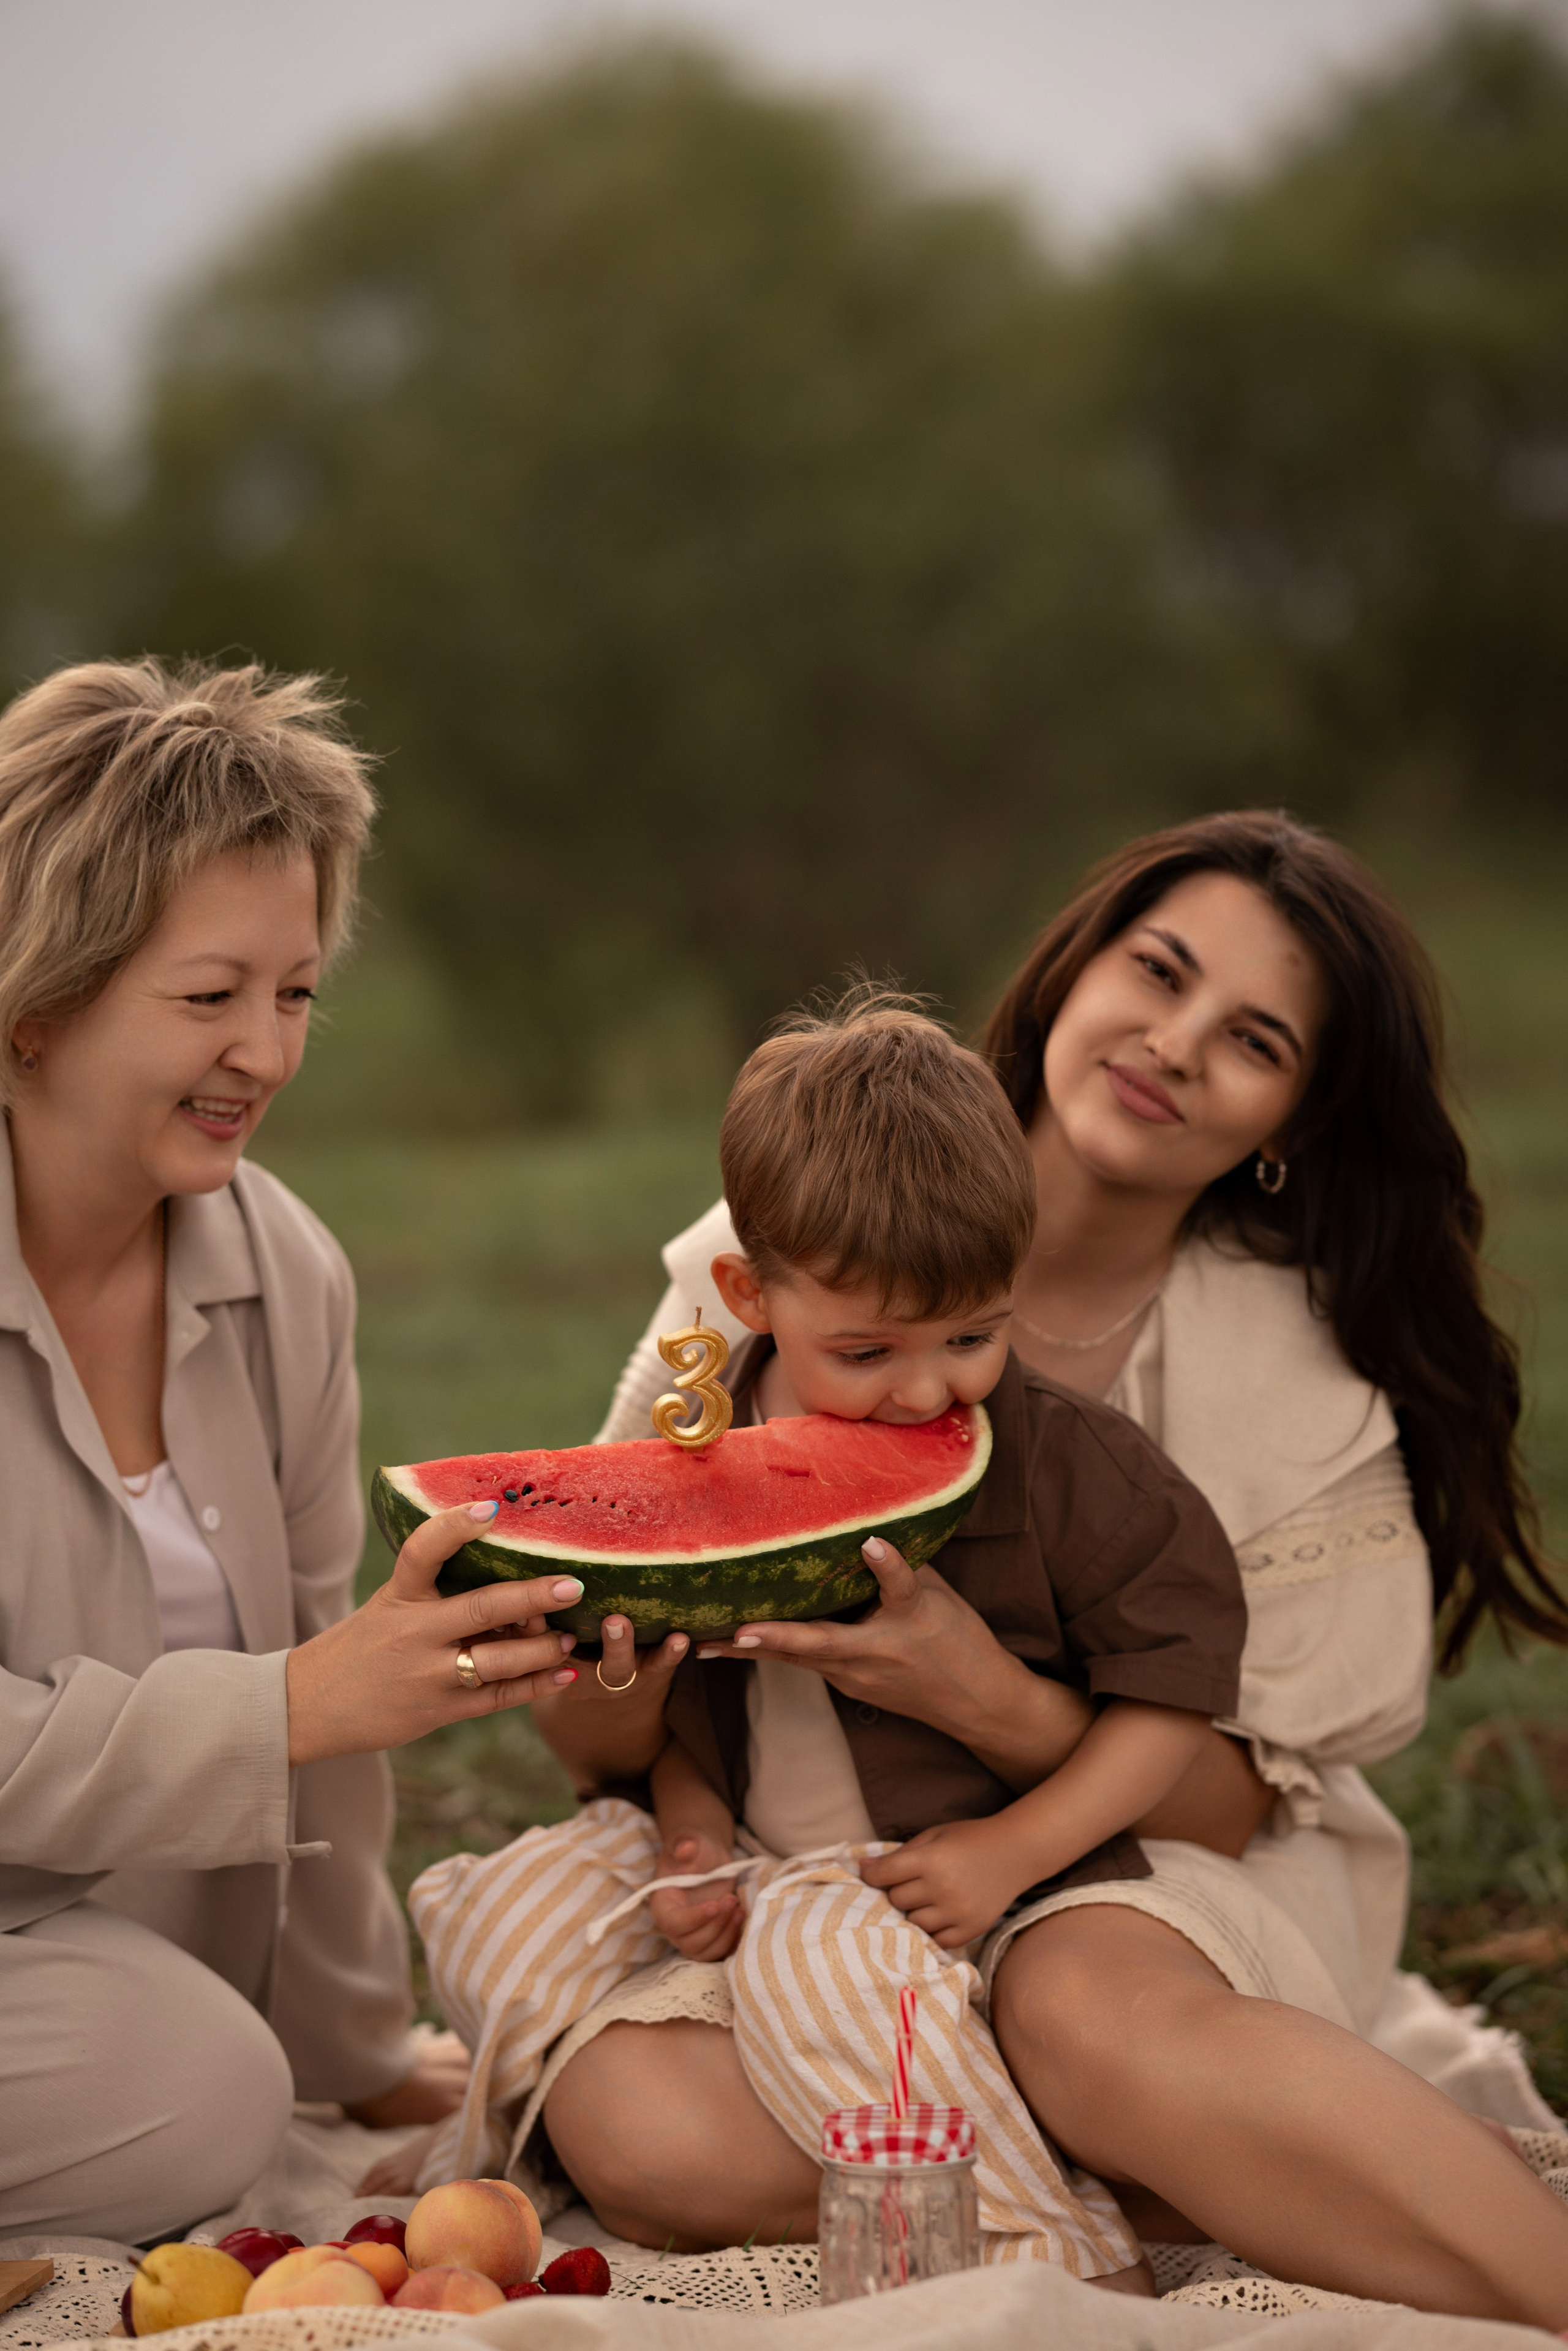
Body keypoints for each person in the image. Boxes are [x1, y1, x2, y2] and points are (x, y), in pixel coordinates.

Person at [540, 813, 1568, 2327]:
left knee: (1078, 2012)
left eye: (1251, 1037)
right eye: (1153, 970)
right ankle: (1291, 2160)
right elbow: (603, 1721)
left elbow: (1227, 1793)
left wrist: (984, 1700)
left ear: (1291, 1112)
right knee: (642, 2130)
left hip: (1156, 1872)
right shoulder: (753, 1267)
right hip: (809, 1879)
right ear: (1070, 968)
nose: (1169, 1040)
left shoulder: (1305, 1382)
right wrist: (626, 1693)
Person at [404, 997, 1252, 2284]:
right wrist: (686, 1825)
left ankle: (1056, 2253)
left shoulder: (1074, 1463)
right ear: (747, 1293)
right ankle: (488, 2162)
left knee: (826, 1961)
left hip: (926, 1871)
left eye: (971, 1335)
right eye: (866, 1350)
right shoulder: (690, 1453)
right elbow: (694, 1707)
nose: (924, 1390)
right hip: (747, 1852)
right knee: (498, 1909)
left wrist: (1007, 1849)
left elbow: (1169, 1699)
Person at [0, 657, 582, 2244]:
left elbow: (344, 1687)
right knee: (197, 2081)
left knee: (222, 2077)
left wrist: (357, 2042)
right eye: (209, 996)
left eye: (297, 990)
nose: (266, 1049)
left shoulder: (285, 1271)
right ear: (38, 998)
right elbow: (305, 1698)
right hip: (74, 1981)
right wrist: (287, 1703)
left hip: (71, 1972)